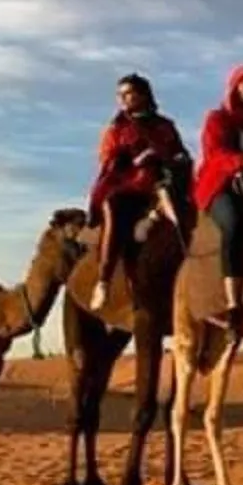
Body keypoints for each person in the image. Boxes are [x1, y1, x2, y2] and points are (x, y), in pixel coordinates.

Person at [87, 73, 191, 310]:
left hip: (164, 183)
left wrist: (168, 157)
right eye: (120, 95)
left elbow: (181, 153)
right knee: (113, 206)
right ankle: (104, 280)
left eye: (128, 93)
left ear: (143, 95)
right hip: (131, 187)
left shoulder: (165, 126)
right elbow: (107, 161)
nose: (123, 99)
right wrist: (136, 160)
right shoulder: (117, 129)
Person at [192, 64, 243, 324]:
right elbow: (214, 155)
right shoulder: (216, 118)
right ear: (234, 87)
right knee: (235, 222)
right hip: (218, 185)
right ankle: (232, 301)